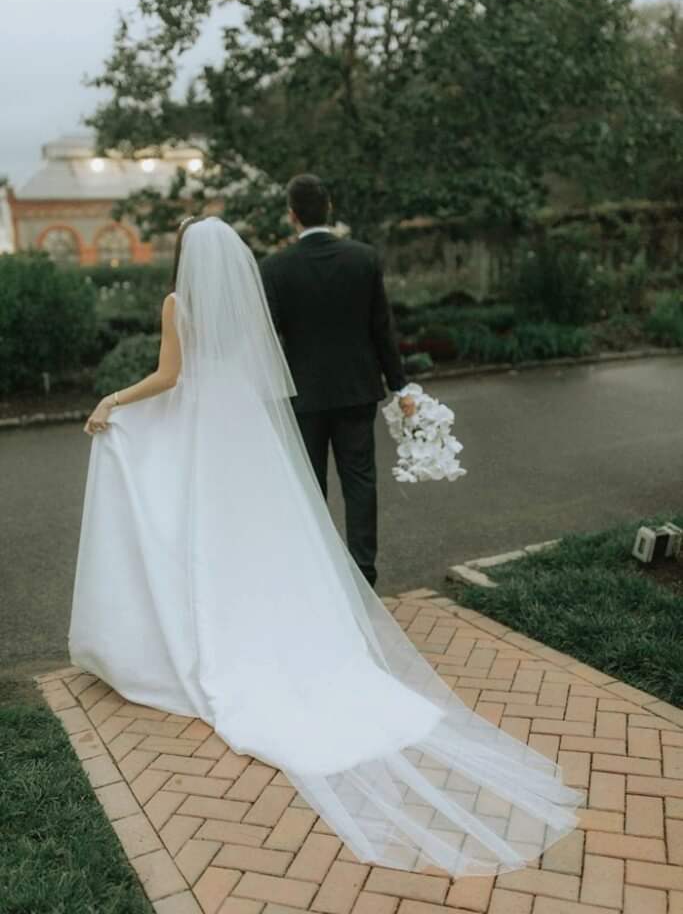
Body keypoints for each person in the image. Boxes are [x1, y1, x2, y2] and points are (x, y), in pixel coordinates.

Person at [70, 215, 582, 877]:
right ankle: (290, 629)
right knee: (266, 536)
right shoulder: (243, 303)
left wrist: (115, 397)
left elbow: (170, 377)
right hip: (248, 433)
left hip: (206, 435)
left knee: (206, 537)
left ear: (184, 258)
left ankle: (217, 632)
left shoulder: (179, 304)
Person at [259, 174, 414, 589]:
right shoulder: (363, 258)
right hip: (355, 390)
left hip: (303, 395)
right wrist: (400, 386)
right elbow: (382, 328)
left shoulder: (274, 269)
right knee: (360, 481)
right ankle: (363, 573)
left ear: (292, 215)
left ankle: (318, 573)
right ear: (328, 210)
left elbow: (268, 338)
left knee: (310, 487)